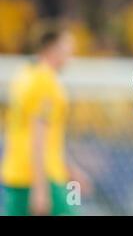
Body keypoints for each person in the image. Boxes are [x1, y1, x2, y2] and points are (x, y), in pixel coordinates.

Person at [1, 27, 90, 216]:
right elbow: (38, 134)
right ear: (52, 48)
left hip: (17, 172)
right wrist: (40, 188)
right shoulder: (45, 82)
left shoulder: (25, 75)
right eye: (68, 48)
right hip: (39, 176)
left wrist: (70, 169)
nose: (71, 55)